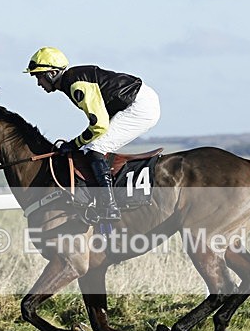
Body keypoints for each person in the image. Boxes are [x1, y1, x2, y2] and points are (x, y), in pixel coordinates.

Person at [24, 47, 160, 221]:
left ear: (51, 73)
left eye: (39, 76)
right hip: (137, 101)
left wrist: (73, 144)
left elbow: (99, 125)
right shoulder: (71, 81)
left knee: (95, 147)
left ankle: (109, 206)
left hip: (140, 107)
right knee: (91, 147)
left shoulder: (76, 85)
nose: (38, 83)